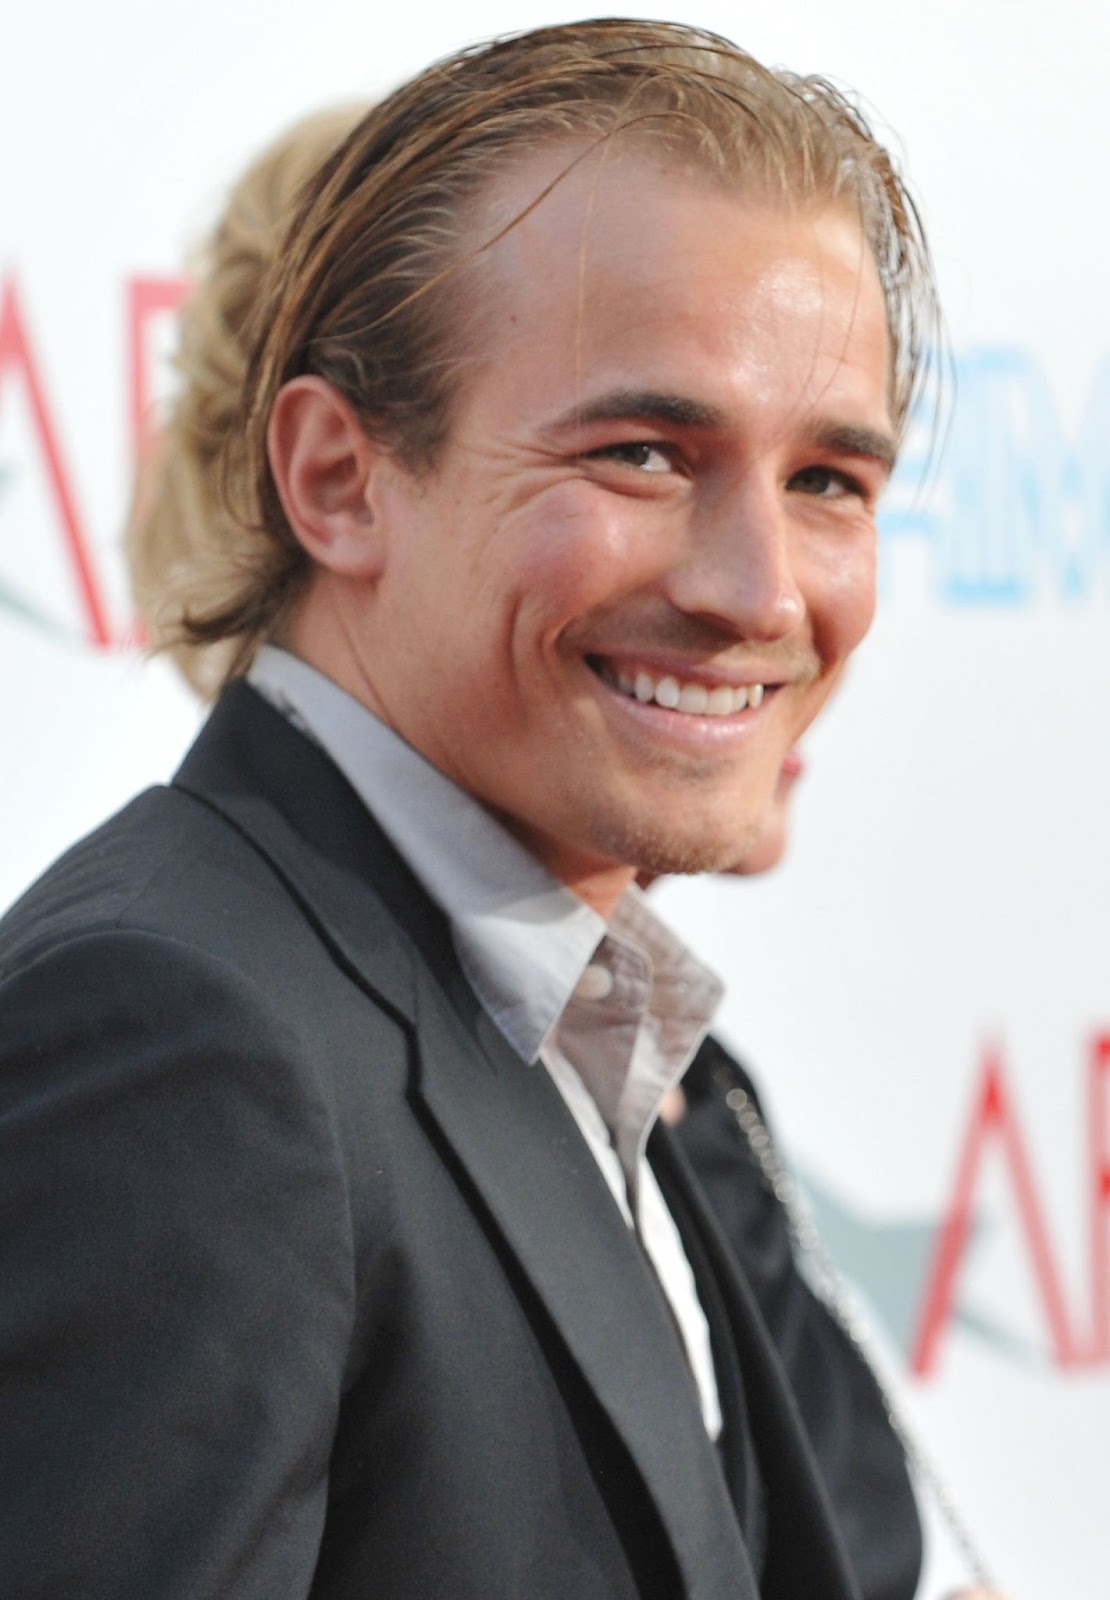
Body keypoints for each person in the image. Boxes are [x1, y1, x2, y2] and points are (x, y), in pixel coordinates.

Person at [0, 19, 982, 1600]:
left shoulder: (587, 1025)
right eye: (645, 453)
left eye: (827, 483)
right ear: (335, 478)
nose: (759, 593)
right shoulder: (182, 1036)